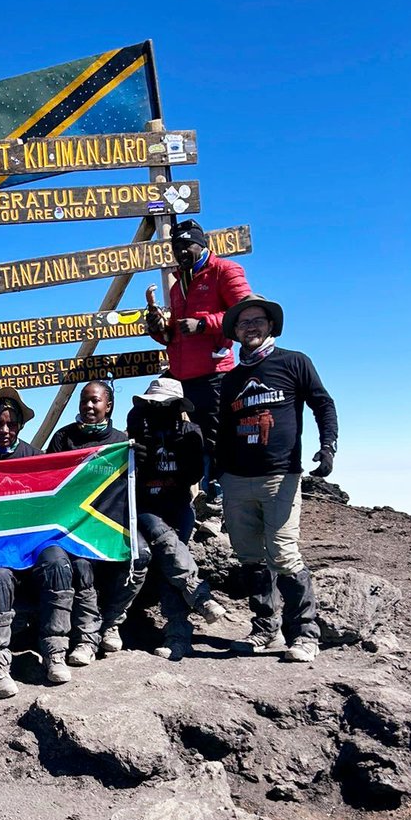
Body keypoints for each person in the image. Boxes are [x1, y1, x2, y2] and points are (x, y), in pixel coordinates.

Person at [217, 294, 338, 662]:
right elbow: (223, 429)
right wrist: (216, 473)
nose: (250, 327)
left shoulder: (294, 362)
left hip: (280, 475)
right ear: (235, 333)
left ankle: (304, 634)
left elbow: (322, 402)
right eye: (243, 323)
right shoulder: (232, 379)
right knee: (250, 557)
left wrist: (328, 446)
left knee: (284, 554)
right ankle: (264, 628)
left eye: (257, 320)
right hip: (236, 480)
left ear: (271, 326)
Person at [0, 388, 75, 696]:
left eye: (12, 424)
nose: (5, 430)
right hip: (0, 544)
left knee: (58, 562)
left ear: (21, 426)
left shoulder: (37, 459)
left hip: (37, 541)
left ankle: (55, 652)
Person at [145, 219, 251, 503]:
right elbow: (176, 337)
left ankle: (221, 499)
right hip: (182, 377)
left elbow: (246, 314)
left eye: (186, 245)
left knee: (216, 440)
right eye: (175, 247)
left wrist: (204, 324)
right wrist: (158, 329)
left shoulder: (224, 271)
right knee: (186, 440)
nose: (180, 252)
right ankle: (195, 497)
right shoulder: (181, 281)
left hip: (214, 375)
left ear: (201, 244)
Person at [125, 378, 227, 660]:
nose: (160, 409)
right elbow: (124, 479)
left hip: (178, 507)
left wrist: (187, 453)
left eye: (167, 405)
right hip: (145, 509)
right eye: (155, 404)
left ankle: (178, 638)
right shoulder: (135, 432)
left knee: (169, 565)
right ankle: (199, 596)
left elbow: (194, 477)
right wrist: (135, 457)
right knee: (163, 538)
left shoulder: (191, 432)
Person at [47, 380, 140, 662]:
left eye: (95, 401)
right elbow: (48, 482)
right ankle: (86, 639)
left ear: (108, 406)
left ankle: (111, 624)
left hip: (110, 523)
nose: (88, 406)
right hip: (71, 525)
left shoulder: (122, 442)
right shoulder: (64, 438)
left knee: (141, 555)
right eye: (84, 400)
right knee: (81, 564)